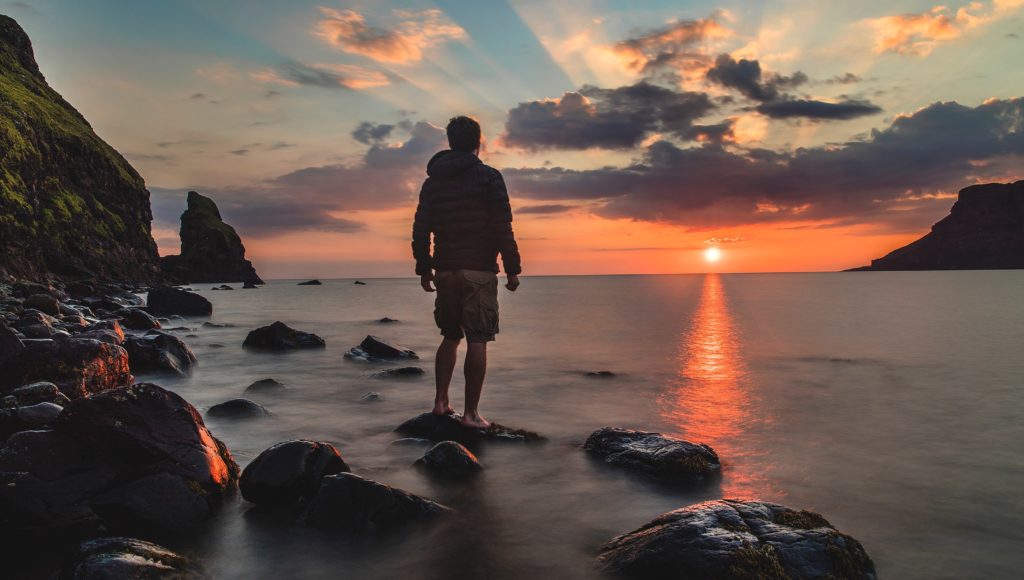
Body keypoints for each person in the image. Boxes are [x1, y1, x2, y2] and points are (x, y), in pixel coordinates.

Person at [412, 116, 522, 429]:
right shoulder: (489, 177)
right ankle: (471, 414)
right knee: (478, 338)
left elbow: (421, 229)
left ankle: (440, 403)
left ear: (450, 142)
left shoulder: (433, 182)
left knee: (449, 336)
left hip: (445, 270)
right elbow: (502, 226)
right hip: (478, 271)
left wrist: (424, 267)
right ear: (478, 142)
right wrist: (512, 270)